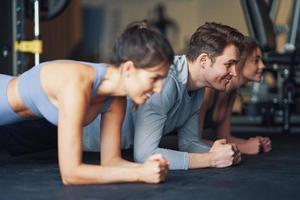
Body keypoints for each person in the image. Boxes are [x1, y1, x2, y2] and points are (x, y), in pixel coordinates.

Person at [0, 20, 174, 185]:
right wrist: (139, 174)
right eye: (155, 78)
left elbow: (111, 162)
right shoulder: (76, 84)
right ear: (128, 68)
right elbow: (70, 174)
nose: (159, 89)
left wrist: (148, 168)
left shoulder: (116, 99)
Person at [83, 22, 244, 170]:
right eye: (229, 64)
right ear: (203, 60)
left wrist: (221, 153)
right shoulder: (167, 80)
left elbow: (189, 143)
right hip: (76, 140)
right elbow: (145, 155)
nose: (235, 73)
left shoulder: (198, 88)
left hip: (115, 152)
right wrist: (212, 159)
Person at [199, 37, 272, 155]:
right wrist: (243, 148)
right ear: (239, 62)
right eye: (256, 60)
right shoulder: (208, 91)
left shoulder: (231, 92)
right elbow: (192, 142)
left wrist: (251, 143)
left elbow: (224, 137)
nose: (262, 65)